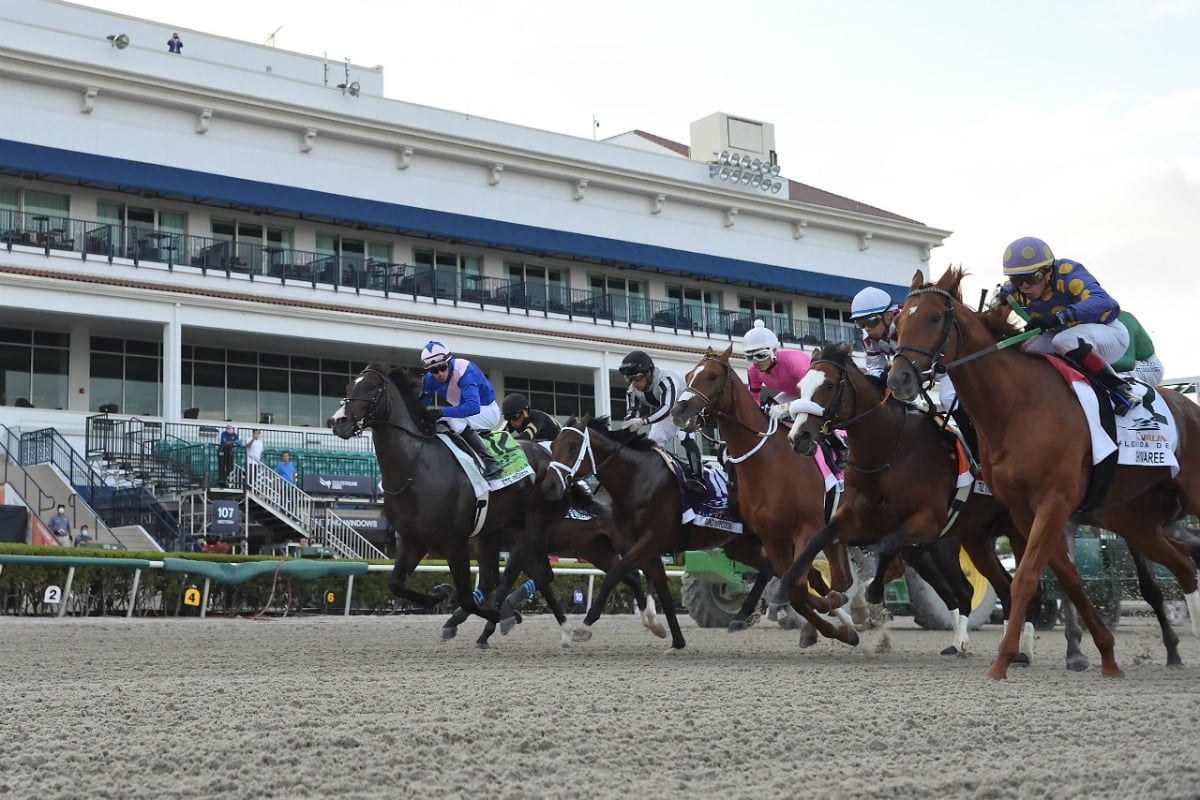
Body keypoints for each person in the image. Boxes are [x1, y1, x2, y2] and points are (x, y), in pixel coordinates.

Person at [1000, 236, 1139, 414]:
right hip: (1068, 338)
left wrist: (1058, 318)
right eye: (1017, 280)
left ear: (1048, 271)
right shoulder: (1015, 290)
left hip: (1110, 334)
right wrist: (1000, 301)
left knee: (1064, 339)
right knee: (1027, 349)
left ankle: (1121, 389)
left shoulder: (1068, 273)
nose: (1025, 286)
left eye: (1032, 278)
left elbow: (1103, 301)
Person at [742, 320, 848, 471]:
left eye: (760, 355)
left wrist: (786, 407)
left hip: (812, 393)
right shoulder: (753, 370)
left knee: (791, 411)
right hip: (792, 392)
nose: (755, 362)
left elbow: (812, 393)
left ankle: (840, 445)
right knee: (768, 412)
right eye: (749, 356)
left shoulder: (795, 363)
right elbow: (754, 400)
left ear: (773, 351)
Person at [618, 349, 706, 493]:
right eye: (630, 379)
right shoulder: (632, 390)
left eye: (637, 378)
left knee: (684, 436)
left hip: (686, 405)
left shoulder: (665, 380)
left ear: (648, 373)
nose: (634, 383)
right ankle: (655, 475)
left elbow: (667, 408)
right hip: (669, 409)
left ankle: (698, 477)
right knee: (654, 441)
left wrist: (642, 421)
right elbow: (631, 413)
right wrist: (627, 427)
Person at [419, 340, 503, 478]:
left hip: (487, 411)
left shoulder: (464, 370)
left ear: (448, 362)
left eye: (442, 367)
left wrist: (440, 412)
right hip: (465, 412)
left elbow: (473, 407)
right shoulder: (429, 379)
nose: (439, 373)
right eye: (434, 370)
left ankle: (490, 462)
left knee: (451, 418)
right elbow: (422, 406)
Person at [848, 286, 903, 385]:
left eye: (871, 321)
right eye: (861, 323)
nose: (867, 328)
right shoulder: (867, 336)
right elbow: (875, 368)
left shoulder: (905, 326)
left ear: (888, 317)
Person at [1111, 311, 1163, 387]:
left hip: (1150, 367)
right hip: (1132, 364)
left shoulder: (1123, 319)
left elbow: (1128, 363)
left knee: (1109, 376)